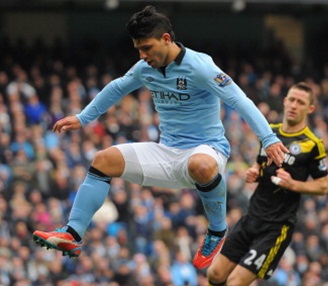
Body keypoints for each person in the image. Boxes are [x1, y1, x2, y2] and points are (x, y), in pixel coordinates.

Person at [31, 6, 287, 267]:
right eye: (138, 50)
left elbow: (240, 100)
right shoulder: (145, 68)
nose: (142, 56)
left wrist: (268, 139)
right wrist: (82, 118)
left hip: (207, 150)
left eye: (146, 48)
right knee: (103, 159)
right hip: (166, 152)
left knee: (200, 164)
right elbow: (118, 87)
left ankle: (217, 230)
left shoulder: (200, 66)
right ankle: (72, 234)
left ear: (166, 39)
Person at [203, 82, 328, 286]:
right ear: (284, 101)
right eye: (291, 99)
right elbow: (261, 163)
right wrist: (255, 171)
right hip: (252, 216)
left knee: (237, 284)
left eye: (300, 102)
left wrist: (293, 184)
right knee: (215, 274)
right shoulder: (269, 131)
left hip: (276, 226)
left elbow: (323, 185)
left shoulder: (313, 144)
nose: (293, 105)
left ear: (309, 109)